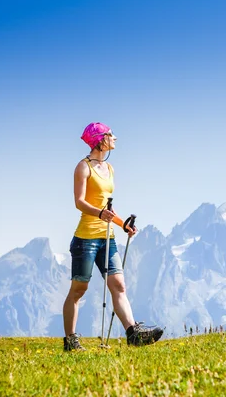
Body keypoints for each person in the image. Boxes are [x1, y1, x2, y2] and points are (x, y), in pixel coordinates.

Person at [62, 122, 163, 351]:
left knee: (118, 285)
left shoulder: (110, 169)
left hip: (108, 238)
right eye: (111, 135)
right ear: (100, 139)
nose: (115, 138)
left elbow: (108, 207)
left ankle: (133, 333)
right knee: (79, 289)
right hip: (86, 238)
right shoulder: (83, 167)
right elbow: (79, 201)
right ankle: (71, 341)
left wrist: (122, 224)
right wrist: (99, 213)